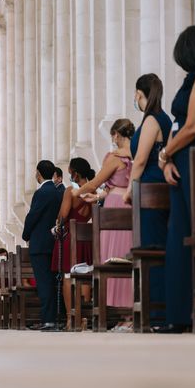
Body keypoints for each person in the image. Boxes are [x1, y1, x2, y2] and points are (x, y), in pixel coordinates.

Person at [157, 26, 195, 333]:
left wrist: (165, 153)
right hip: (182, 162)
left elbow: (194, 125)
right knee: (177, 238)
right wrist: (167, 158)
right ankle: (178, 315)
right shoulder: (190, 80)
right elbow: (179, 124)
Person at [124, 73, 172, 326]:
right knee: (159, 248)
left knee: (152, 249)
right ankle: (160, 312)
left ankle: (157, 314)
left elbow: (141, 159)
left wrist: (131, 188)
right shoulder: (164, 119)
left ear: (140, 94)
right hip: (158, 184)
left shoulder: (153, 119)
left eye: (135, 94)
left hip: (150, 188)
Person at [75, 119, 135, 316]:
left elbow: (94, 183)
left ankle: (118, 310)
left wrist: (76, 194)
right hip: (131, 205)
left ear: (116, 135)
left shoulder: (114, 158)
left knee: (113, 257)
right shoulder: (137, 155)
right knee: (127, 255)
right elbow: (115, 186)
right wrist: (100, 195)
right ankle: (129, 308)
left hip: (115, 207)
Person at [52, 158, 95, 330]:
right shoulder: (93, 190)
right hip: (86, 239)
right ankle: (84, 318)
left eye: (70, 172)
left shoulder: (70, 191)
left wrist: (57, 223)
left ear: (75, 173)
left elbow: (63, 216)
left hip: (70, 238)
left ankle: (71, 318)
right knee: (84, 276)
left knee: (68, 276)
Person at [22, 160, 63, 331]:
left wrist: (26, 234)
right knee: (54, 282)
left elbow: (33, 215)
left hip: (39, 243)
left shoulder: (42, 192)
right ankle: (57, 318)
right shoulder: (59, 191)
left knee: (44, 283)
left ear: (38, 173)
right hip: (55, 242)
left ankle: (48, 320)